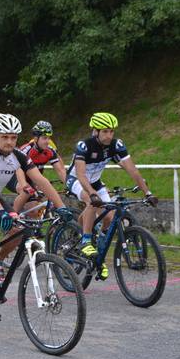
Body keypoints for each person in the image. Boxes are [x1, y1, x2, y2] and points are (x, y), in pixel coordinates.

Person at [0, 113, 72, 321]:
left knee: (18, 231)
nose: (10, 142)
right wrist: (1, 212)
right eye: (5, 137)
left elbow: (42, 181)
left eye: (13, 137)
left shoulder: (18, 155)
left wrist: (61, 206)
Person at [66, 112, 157, 279]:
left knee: (109, 217)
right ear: (96, 131)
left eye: (111, 131)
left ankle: (97, 257)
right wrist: (92, 194)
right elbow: (80, 174)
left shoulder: (116, 145)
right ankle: (85, 239)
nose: (109, 136)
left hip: (96, 181)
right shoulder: (84, 146)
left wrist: (148, 193)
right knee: (92, 202)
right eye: (105, 131)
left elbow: (133, 170)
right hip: (77, 180)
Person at [5, 121, 68, 213]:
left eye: (49, 138)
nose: (47, 141)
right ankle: (11, 220)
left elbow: (60, 170)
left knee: (34, 211)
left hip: (32, 179)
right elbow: (19, 169)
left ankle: (31, 225)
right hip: (14, 177)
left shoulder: (50, 151)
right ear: (35, 138)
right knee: (26, 192)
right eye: (44, 138)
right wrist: (24, 185)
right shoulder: (26, 150)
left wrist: (70, 185)